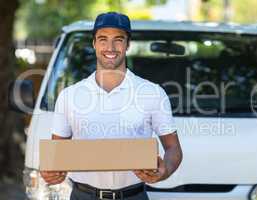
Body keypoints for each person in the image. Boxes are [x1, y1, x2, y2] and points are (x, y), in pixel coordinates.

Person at [40, 12, 182, 200]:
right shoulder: (69, 96)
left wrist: (165, 170)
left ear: (127, 44)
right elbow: (57, 153)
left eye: (118, 39)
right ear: (94, 43)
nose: (110, 47)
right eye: (103, 39)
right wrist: (52, 171)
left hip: (134, 196)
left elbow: (173, 149)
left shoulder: (152, 93)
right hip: (83, 196)